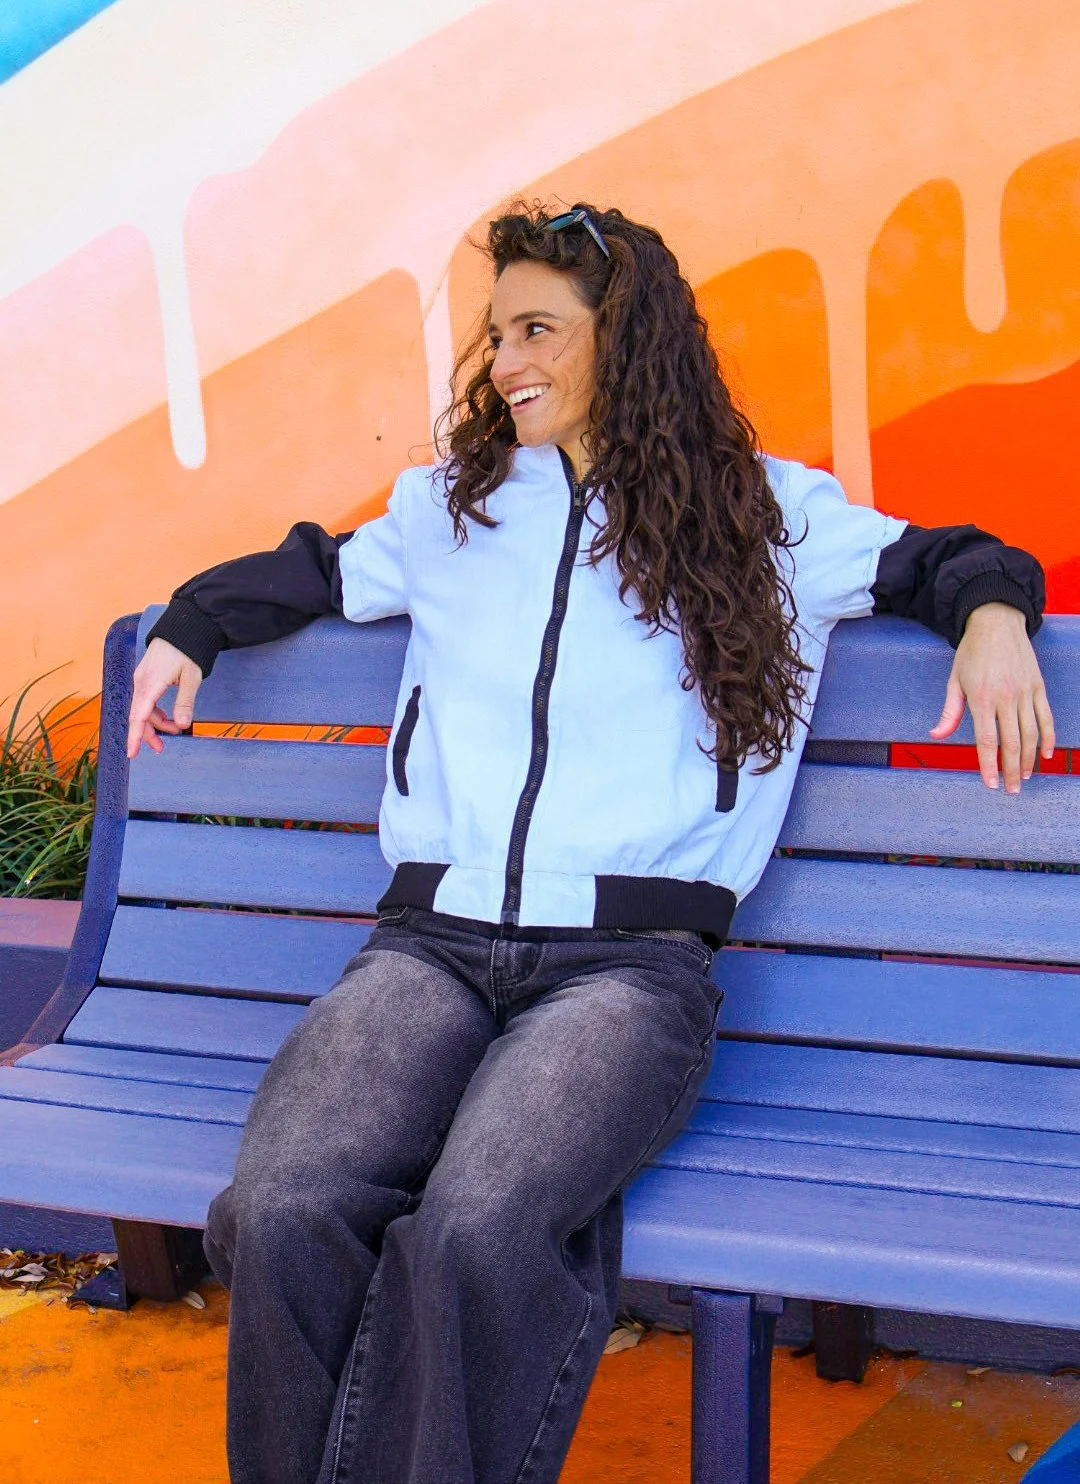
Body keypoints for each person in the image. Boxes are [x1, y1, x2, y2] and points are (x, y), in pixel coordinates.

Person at [127, 203, 1053, 1484]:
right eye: (497, 334)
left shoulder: (769, 518)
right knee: (284, 1207)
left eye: (538, 331)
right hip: (430, 948)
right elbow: (313, 569)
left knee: (476, 1225)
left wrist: (996, 617)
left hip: (625, 973)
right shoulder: (451, 516)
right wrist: (194, 622)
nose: (505, 362)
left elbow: (950, 559)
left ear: (626, 341)